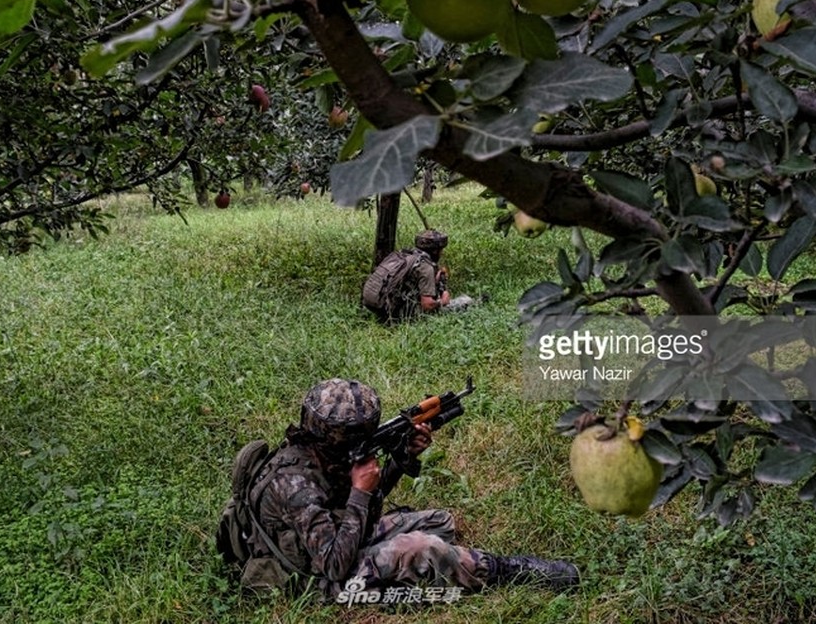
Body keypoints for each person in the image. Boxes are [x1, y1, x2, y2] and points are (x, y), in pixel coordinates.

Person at [238, 378, 580, 599]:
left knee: (440, 521)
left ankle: (447, 564)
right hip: (312, 576)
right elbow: (333, 566)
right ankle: (509, 570)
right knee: (424, 547)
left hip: (333, 537)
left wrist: (400, 459)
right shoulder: (295, 484)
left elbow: (368, 503)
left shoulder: (323, 452)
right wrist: (359, 492)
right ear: (337, 435)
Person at [361, 230, 476, 323]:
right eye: (441, 250)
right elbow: (427, 305)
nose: (442, 253)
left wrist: (435, 279)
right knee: (464, 301)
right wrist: (443, 301)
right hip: (392, 312)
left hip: (374, 305)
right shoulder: (426, 267)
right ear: (436, 251)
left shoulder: (405, 254)